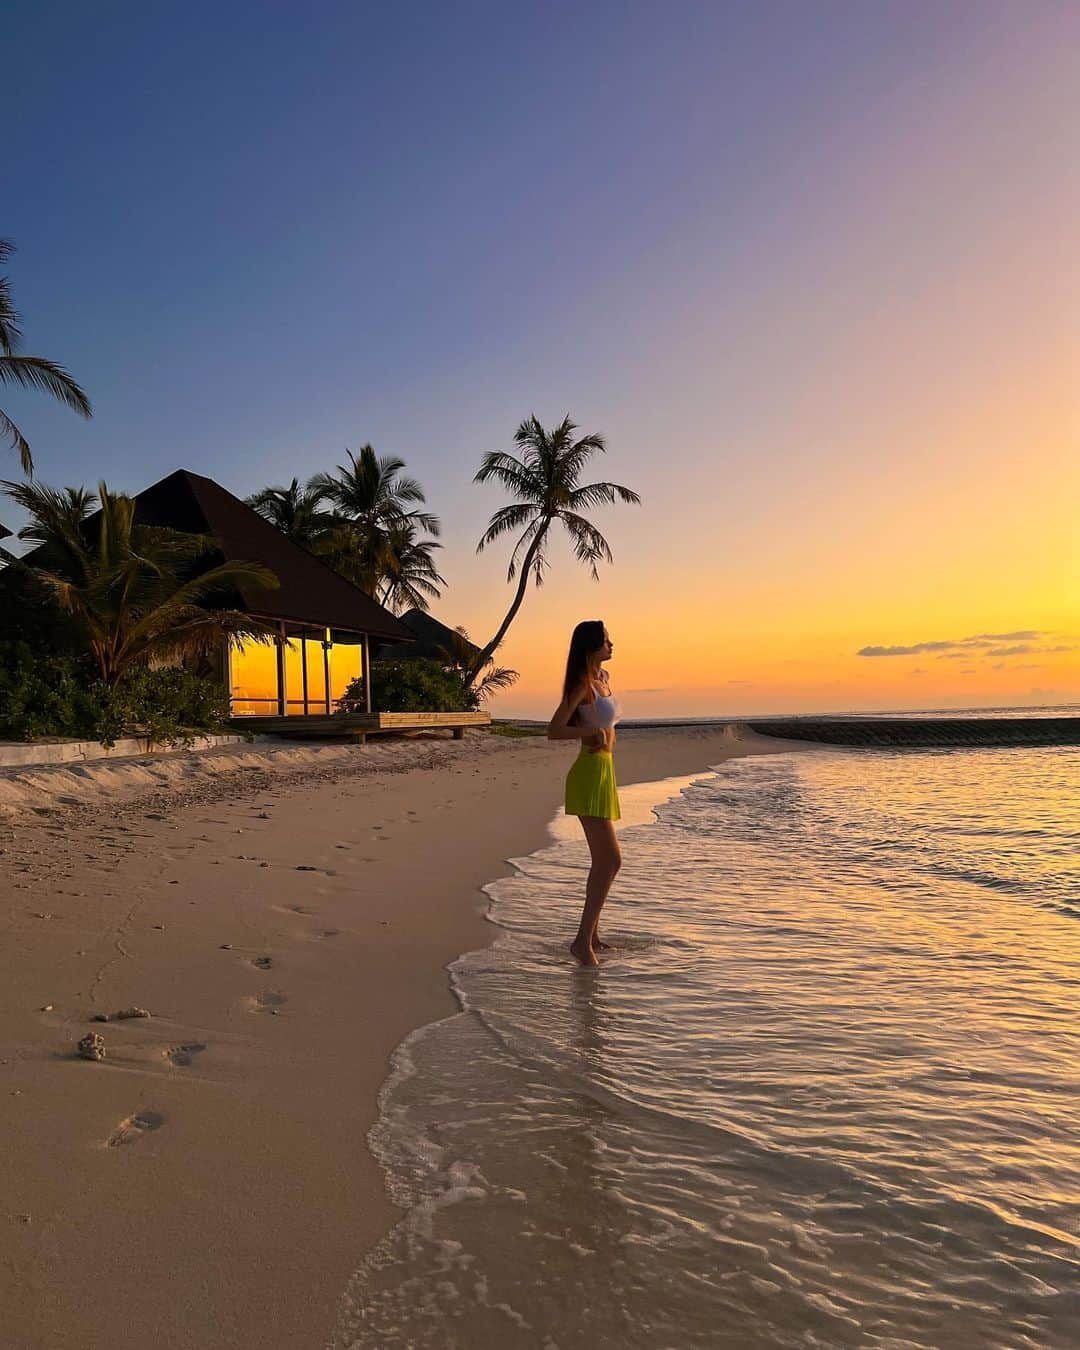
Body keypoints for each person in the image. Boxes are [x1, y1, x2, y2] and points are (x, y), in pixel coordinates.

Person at [547, 620, 622, 966]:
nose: (612, 645)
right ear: (591, 646)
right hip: (588, 773)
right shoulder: (581, 684)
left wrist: (599, 732)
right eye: (606, 641)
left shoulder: (602, 681)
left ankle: (592, 935)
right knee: (610, 860)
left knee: (604, 861)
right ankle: (581, 942)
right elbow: (554, 729)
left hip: (604, 772)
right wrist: (589, 731)